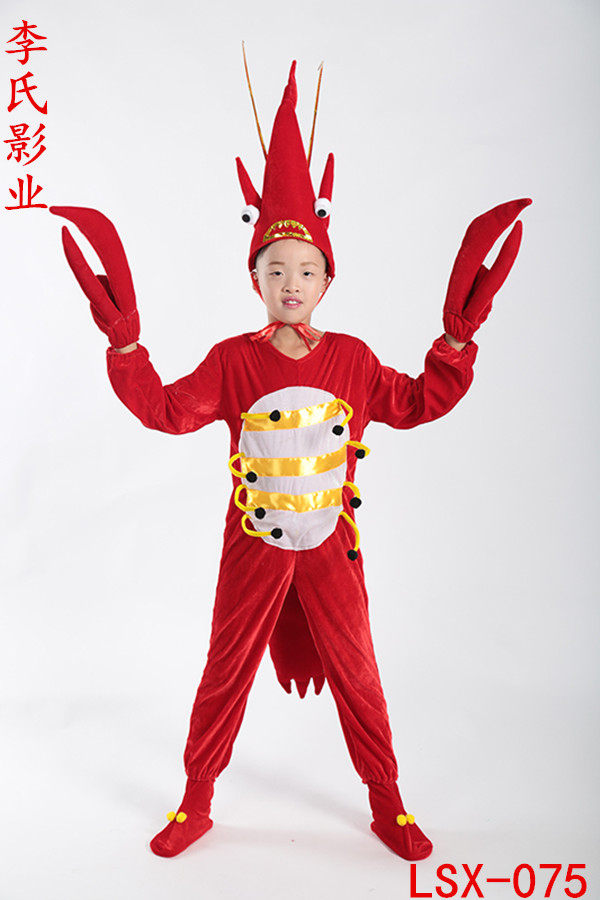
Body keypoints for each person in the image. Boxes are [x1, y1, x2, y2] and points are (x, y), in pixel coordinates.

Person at [49, 58, 531, 862]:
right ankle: (196, 799)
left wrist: (457, 338)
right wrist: (125, 345)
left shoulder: (354, 359)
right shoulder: (231, 361)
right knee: (224, 671)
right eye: (276, 270)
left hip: (333, 546)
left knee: (359, 673)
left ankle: (388, 802)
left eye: (307, 270)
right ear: (257, 279)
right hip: (254, 544)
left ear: (327, 278)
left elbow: (418, 402)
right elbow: (166, 411)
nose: (292, 282)